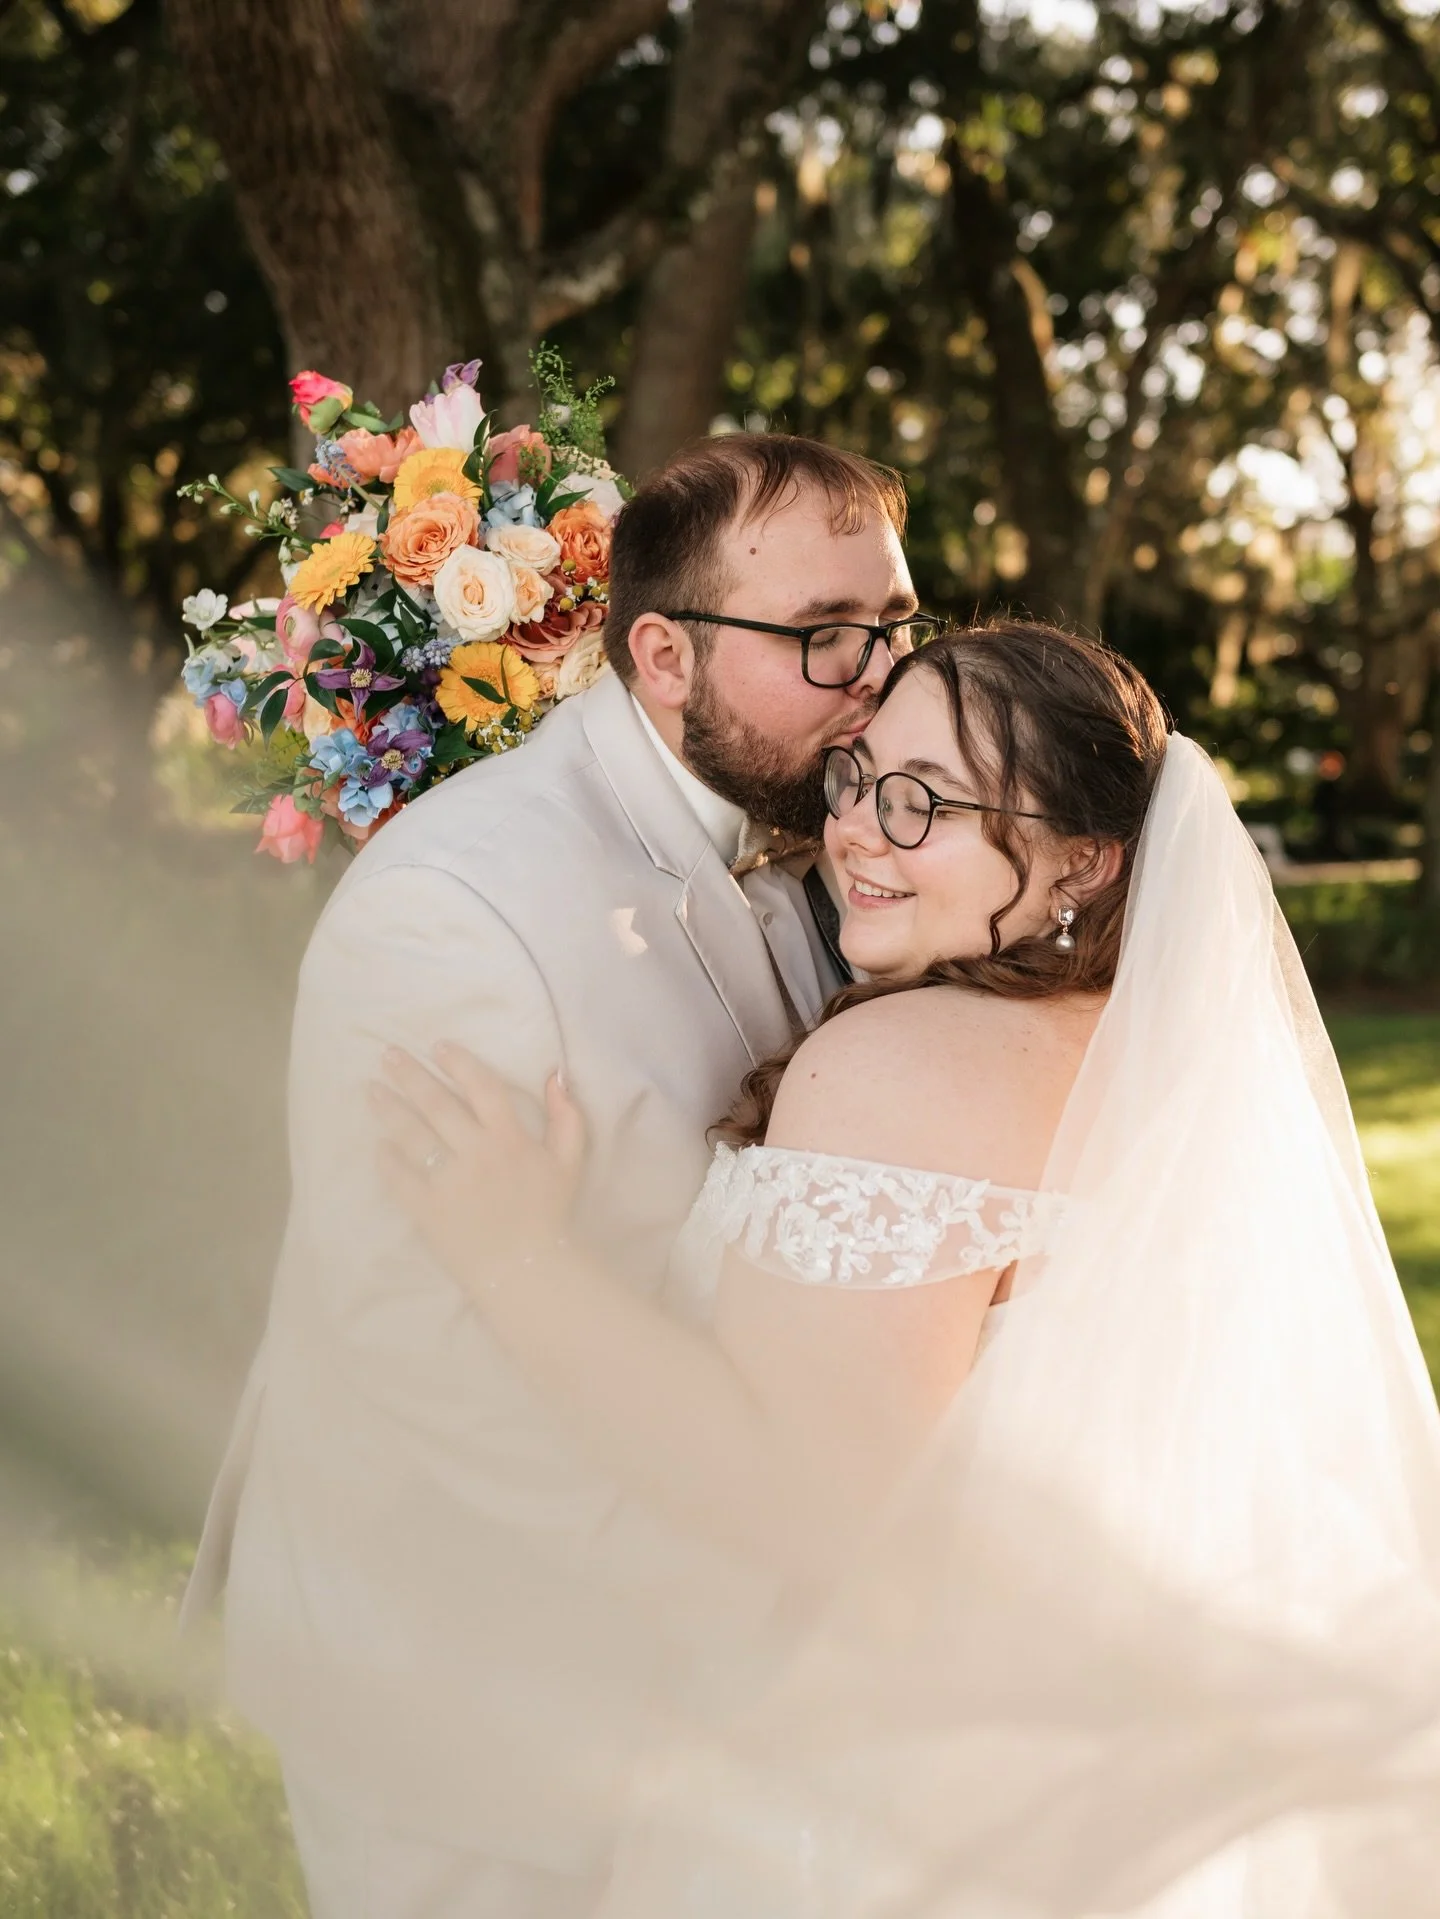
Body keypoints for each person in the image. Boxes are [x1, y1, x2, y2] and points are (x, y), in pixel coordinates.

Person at [375, 621, 1440, 1917]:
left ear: (1083, 862)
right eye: (857, 776)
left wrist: (511, 1259)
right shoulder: (1154, 1068)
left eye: (924, 800)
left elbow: (796, 1510)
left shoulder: (895, 1070)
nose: (860, 832)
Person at [182, 431, 933, 1919]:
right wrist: (764, 1589)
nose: (881, 677)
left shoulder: (808, 842)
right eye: (828, 638)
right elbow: (425, 1351)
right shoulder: (453, 912)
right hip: (463, 1692)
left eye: (897, 626)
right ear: (662, 653)